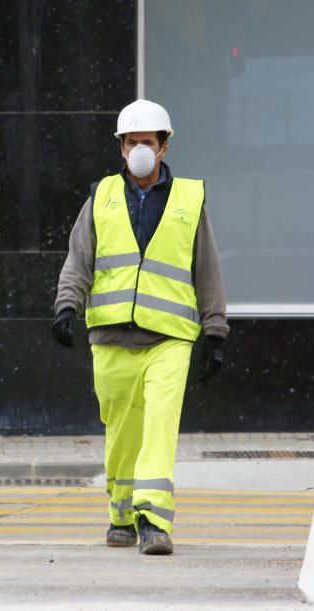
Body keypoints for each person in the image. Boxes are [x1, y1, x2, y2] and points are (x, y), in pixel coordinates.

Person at [52, 99, 228, 555]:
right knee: (121, 428)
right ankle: (121, 513)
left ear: (164, 146)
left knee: (160, 424)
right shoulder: (101, 196)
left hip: (169, 337)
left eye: (147, 141)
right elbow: (79, 259)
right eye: (131, 142)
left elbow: (206, 268)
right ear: (121, 147)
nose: (139, 150)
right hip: (110, 335)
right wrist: (66, 307)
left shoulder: (189, 199)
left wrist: (215, 331)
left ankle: (152, 519)